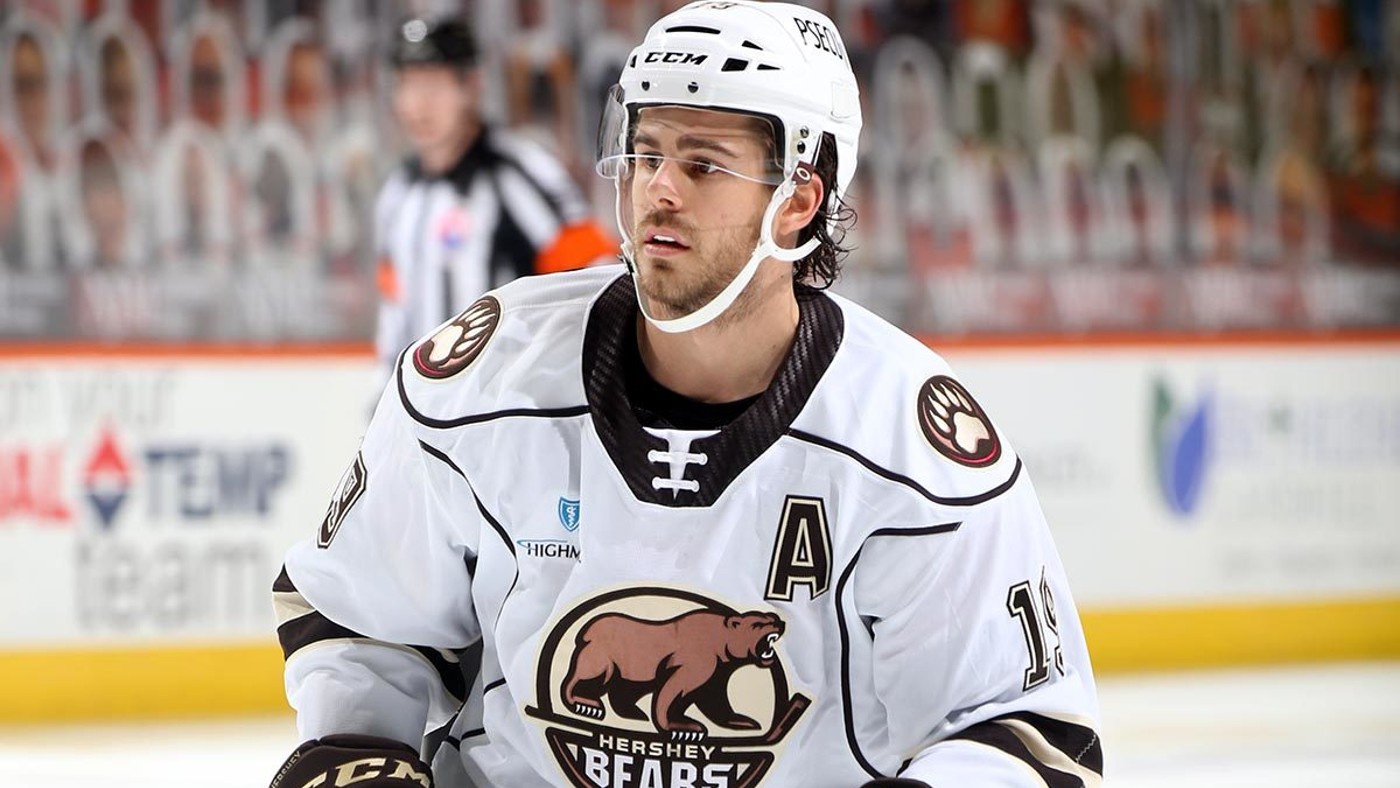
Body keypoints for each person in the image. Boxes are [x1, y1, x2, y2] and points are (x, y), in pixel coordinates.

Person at [270, 3, 1102, 787]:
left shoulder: (910, 448)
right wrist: (358, 746)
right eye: (645, 154)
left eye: (703, 163)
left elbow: (1017, 730)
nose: (657, 189)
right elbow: (359, 615)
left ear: (799, 199)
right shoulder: (483, 382)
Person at [371, 15, 614, 394]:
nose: (418, 104)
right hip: (422, 414)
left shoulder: (521, 174)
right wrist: (383, 400)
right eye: (408, 85)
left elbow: (599, 283)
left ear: (471, 86)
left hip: (510, 412)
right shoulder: (397, 195)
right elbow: (395, 314)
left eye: (433, 85)